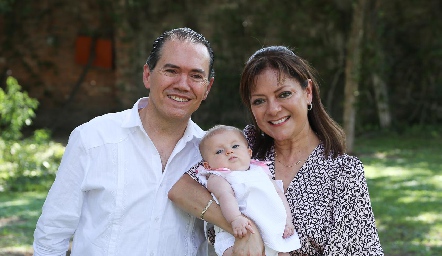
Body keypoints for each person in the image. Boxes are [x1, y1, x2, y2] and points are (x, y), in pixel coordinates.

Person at [169, 46, 384, 255]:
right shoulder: (243, 147)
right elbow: (181, 189)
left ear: (307, 92)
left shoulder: (343, 171)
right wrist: (245, 229)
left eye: (284, 94)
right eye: (260, 101)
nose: (273, 109)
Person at [33, 27, 216, 256]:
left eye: (196, 76)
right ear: (147, 75)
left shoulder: (211, 156)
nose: (182, 84)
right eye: (171, 70)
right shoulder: (93, 139)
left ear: (207, 88)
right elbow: (52, 233)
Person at [197, 124, 301, 256]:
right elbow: (225, 196)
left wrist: (288, 221)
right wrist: (235, 219)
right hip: (237, 232)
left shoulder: (260, 171)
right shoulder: (218, 177)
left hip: (273, 230)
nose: (229, 151)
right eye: (219, 151)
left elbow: (279, 194)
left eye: (235, 146)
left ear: (249, 152)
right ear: (208, 165)